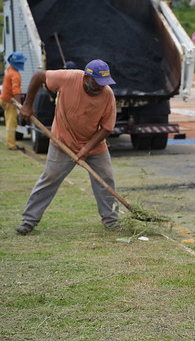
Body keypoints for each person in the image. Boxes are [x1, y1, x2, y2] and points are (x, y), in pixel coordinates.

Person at [15, 59, 119, 235]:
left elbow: (107, 128)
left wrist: (86, 150)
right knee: (50, 178)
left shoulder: (107, 95)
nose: (101, 87)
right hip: (62, 142)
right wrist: (28, 104)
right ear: (87, 77)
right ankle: (28, 221)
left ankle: (111, 221)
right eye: (98, 82)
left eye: (104, 83)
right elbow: (39, 76)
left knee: (106, 179)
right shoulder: (68, 78)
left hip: (93, 145)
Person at [1, 51, 27, 150]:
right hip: (9, 101)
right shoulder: (15, 75)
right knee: (12, 124)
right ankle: (12, 145)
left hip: (4, 98)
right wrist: (20, 107)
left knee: (8, 121)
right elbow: (16, 92)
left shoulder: (9, 69)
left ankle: (10, 142)